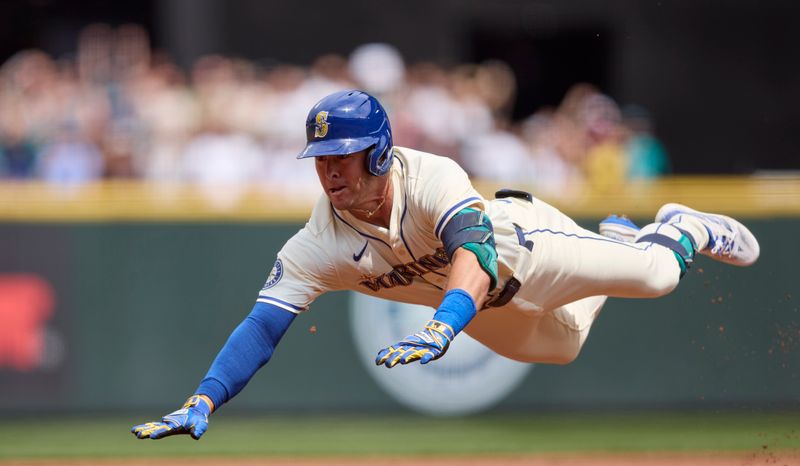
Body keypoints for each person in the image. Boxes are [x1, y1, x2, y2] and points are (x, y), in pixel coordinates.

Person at [132, 90, 760, 440]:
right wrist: (205, 398)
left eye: (342, 155)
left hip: (526, 247)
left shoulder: (430, 175)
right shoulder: (315, 243)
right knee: (565, 346)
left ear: (378, 152)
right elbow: (263, 326)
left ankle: (680, 228)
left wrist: (442, 325)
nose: (328, 170)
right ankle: (620, 238)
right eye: (320, 157)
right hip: (481, 312)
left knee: (657, 278)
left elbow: (476, 255)